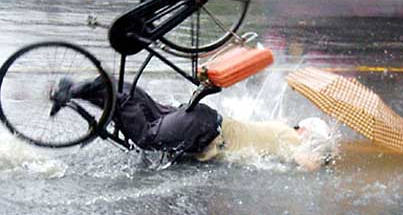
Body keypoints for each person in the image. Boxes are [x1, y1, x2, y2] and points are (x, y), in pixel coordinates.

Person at [54, 76, 336, 170]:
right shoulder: (288, 136)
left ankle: (74, 91)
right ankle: (89, 93)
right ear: (305, 132)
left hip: (200, 119)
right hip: (201, 129)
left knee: (140, 102)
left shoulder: (277, 126)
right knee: (147, 136)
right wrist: (327, 158)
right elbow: (306, 161)